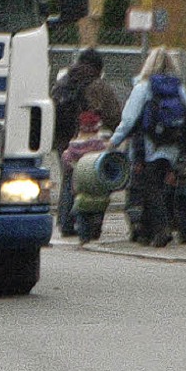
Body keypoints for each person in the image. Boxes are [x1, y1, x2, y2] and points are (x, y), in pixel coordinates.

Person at [108, 46, 186, 247]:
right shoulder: (179, 88)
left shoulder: (143, 87)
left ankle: (161, 230)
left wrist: (114, 141)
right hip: (173, 146)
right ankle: (154, 232)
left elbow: (129, 119)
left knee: (150, 189)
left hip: (149, 147)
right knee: (163, 187)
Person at [52, 48, 121, 235]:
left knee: (68, 177)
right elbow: (114, 115)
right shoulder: (97, 85)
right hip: (88, 139)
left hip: (62, 140)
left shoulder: (62, 83)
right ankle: (87, 223)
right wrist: (118, 136)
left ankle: (65, 222)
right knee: (89, 181)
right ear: (98, 67)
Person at [62, 110, 110, 244]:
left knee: (81, 205)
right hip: (96, 180)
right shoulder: (98, 144)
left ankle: (83, 234)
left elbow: (66, 160)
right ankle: (96, 228)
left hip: (79, 181)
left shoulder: (73, 145)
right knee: (99, 203)